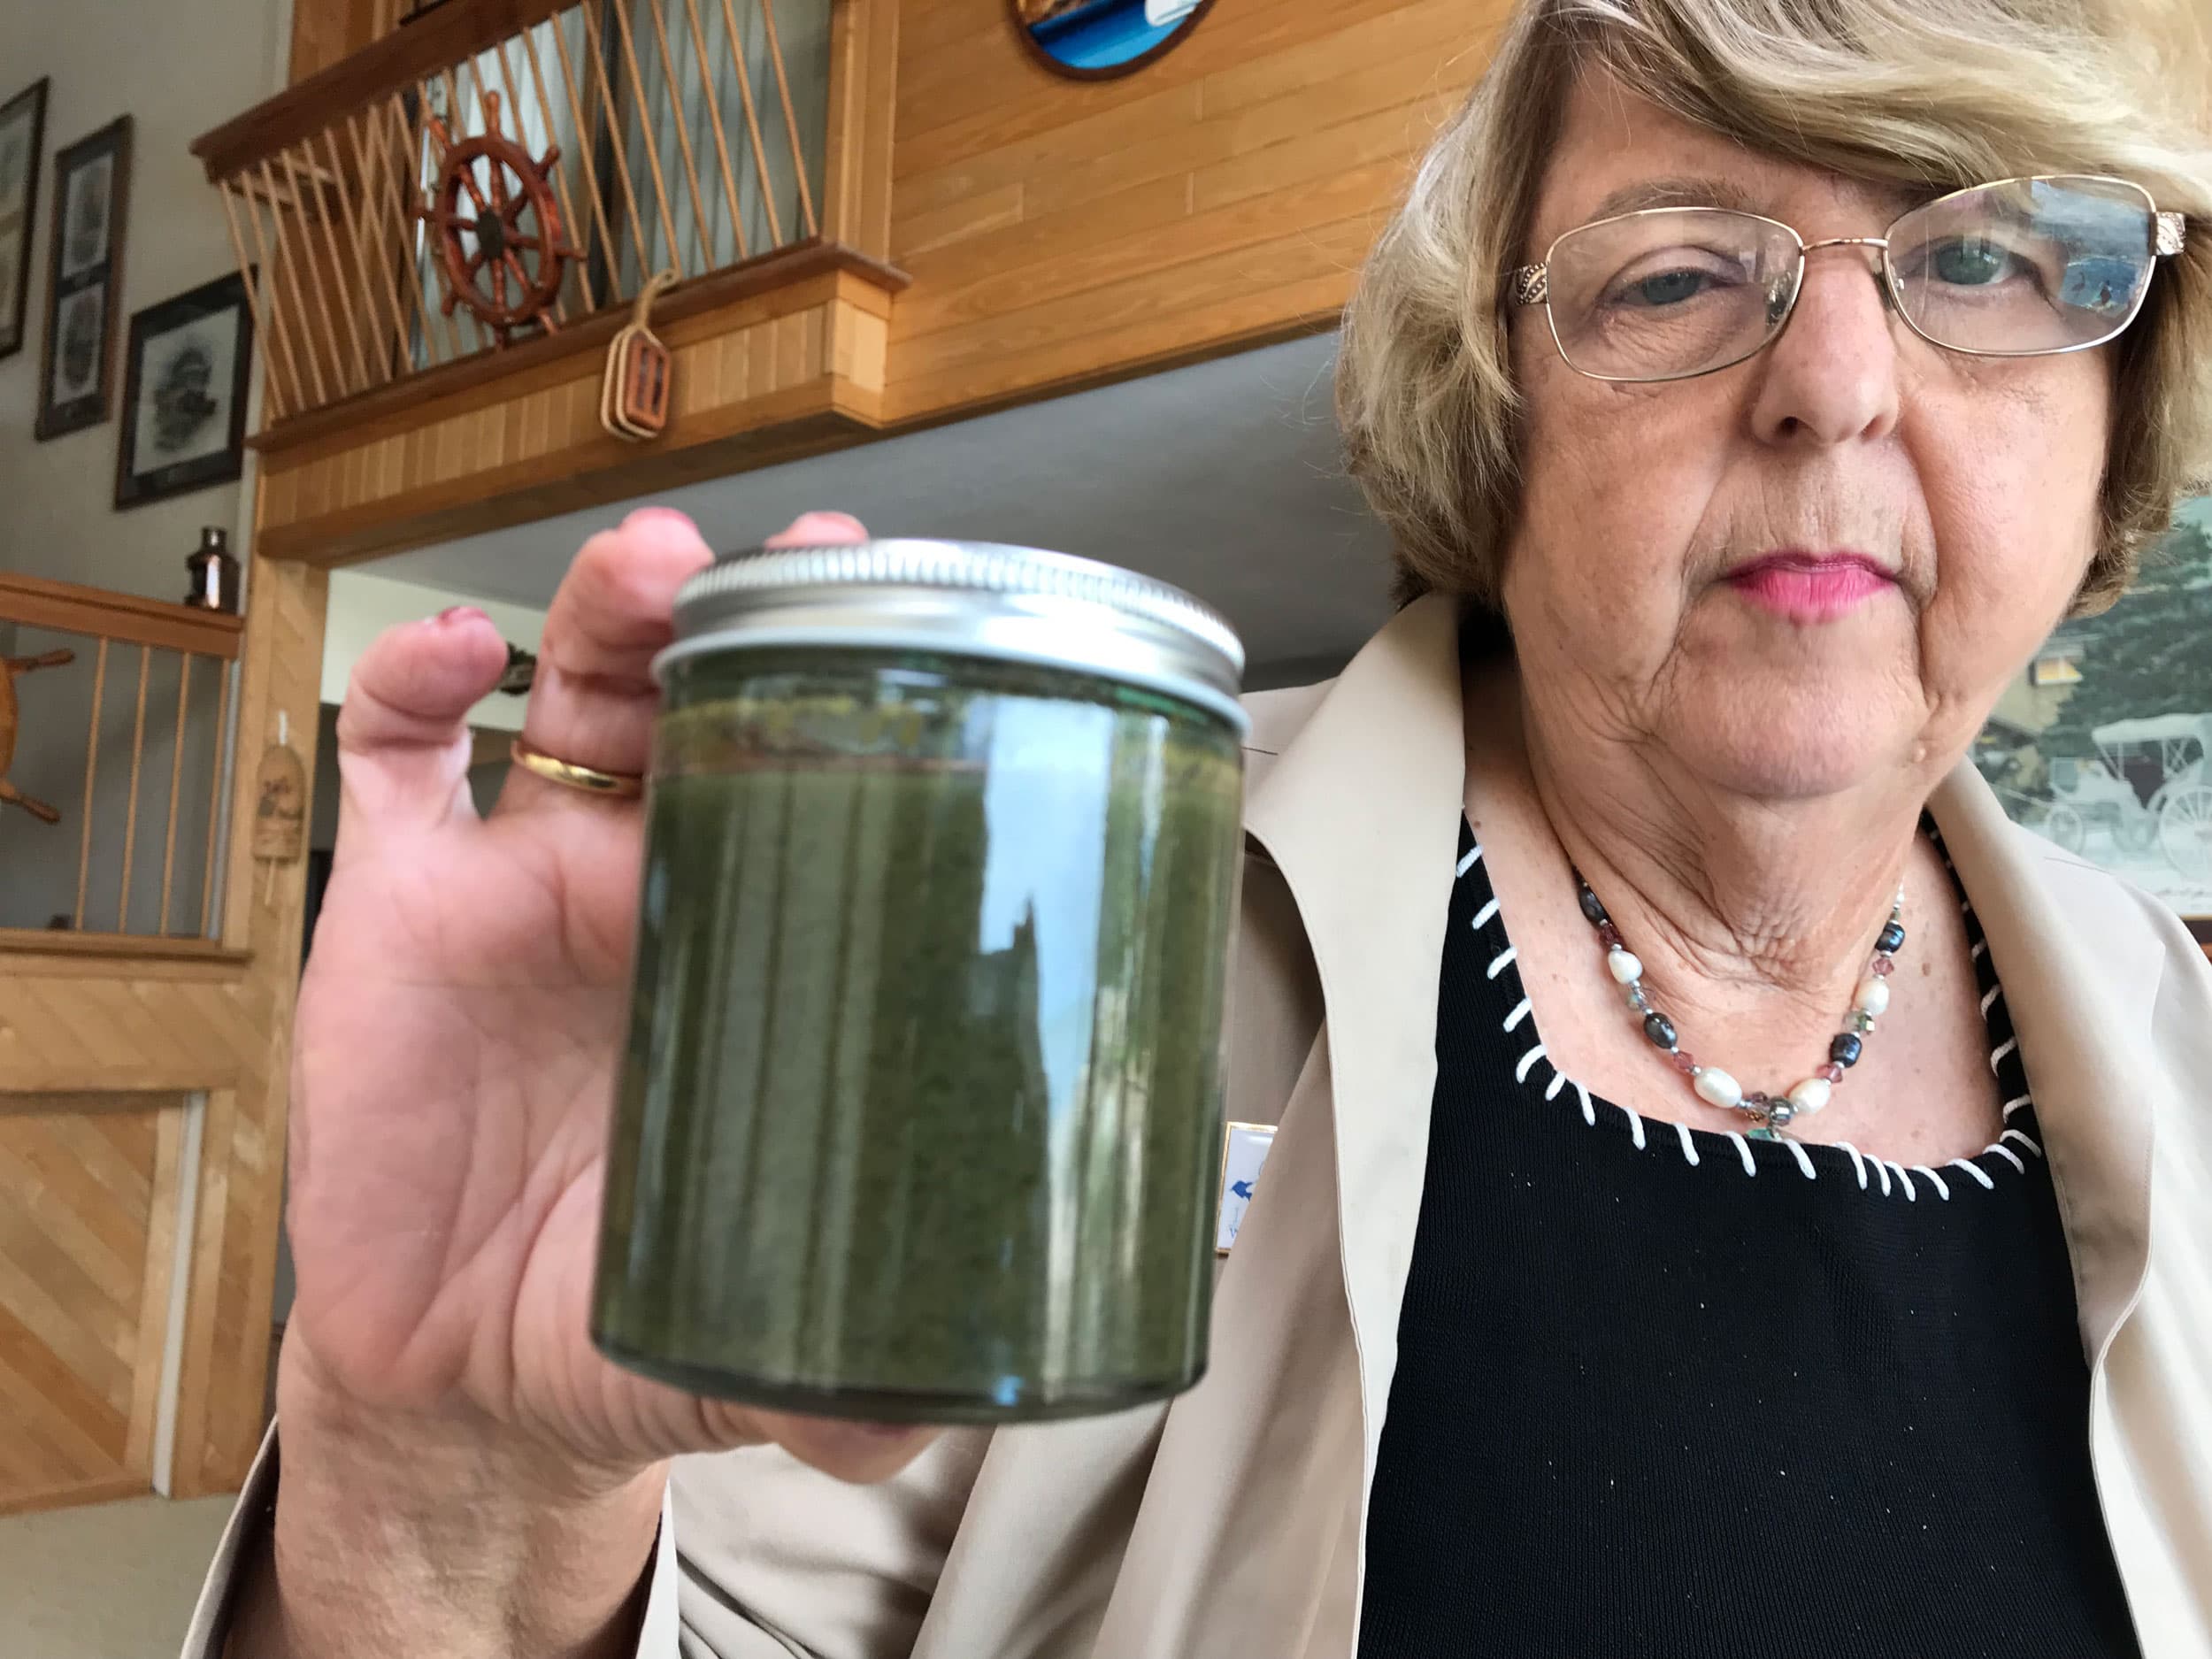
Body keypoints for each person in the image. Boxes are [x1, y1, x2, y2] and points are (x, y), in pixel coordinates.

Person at [188, 0, 2212, 1653]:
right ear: (1494, 412)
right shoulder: (1065, 892)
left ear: (2122, 399)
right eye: (1675, 271)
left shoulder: (2171, 1025)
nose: (1836, 383)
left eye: (1982, 256)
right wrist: (443, 1487)